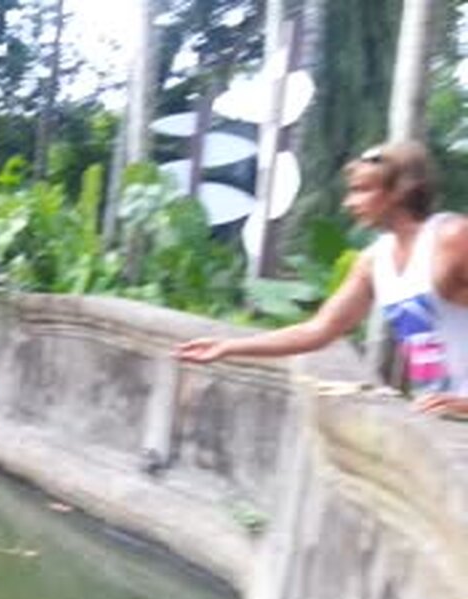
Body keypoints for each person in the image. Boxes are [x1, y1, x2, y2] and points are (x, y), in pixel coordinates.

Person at [176, 141, 468, 416]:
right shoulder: (373, 262)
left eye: (362, 190)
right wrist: (228, 347)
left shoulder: (453, 238)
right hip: (439, 412)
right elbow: (319, 330)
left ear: (399, 191)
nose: (349, 203)